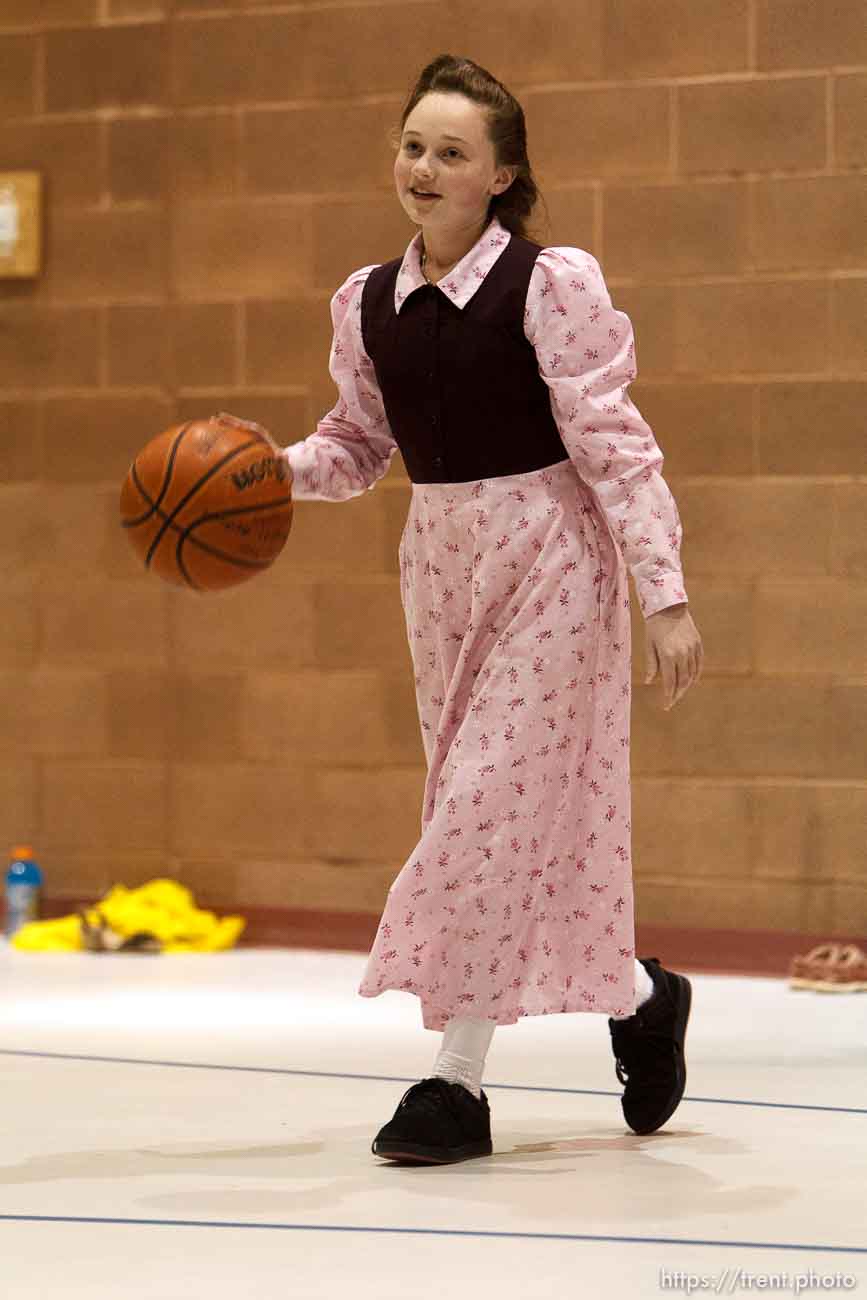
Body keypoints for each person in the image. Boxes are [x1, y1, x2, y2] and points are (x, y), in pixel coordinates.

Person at [224, 53, 703, 1166]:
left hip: (550, 556)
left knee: (480, 813)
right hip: (440, 567)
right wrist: (262, 471)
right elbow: (355, 447)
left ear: (502, 175)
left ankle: (454, 1086)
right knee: (488, 814)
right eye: (413, 146)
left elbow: (616, 449)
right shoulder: (367, 301)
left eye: (452, 151)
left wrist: (663, 589)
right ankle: (640, 996)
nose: (424, 167)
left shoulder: (550, 285)